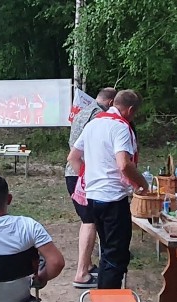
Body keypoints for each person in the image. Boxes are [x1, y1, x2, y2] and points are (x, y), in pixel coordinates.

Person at [67, 89, 149, 302]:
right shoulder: (120, 128)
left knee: (106, 256)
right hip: (113, 199)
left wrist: (90, 178)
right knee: (115, 257)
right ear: (131, 110)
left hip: (94, 197)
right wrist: (142, 185)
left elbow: (73, 157)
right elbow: (124, 164)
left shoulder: (94, 123)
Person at [65, 87, 117, 289]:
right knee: (90, 221)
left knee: (91, 219)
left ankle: (88, 265)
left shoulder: (84, 111)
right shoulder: (99, 115)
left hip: (75, 170)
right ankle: (81, 273)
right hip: (83, 172)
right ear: (111, 102)